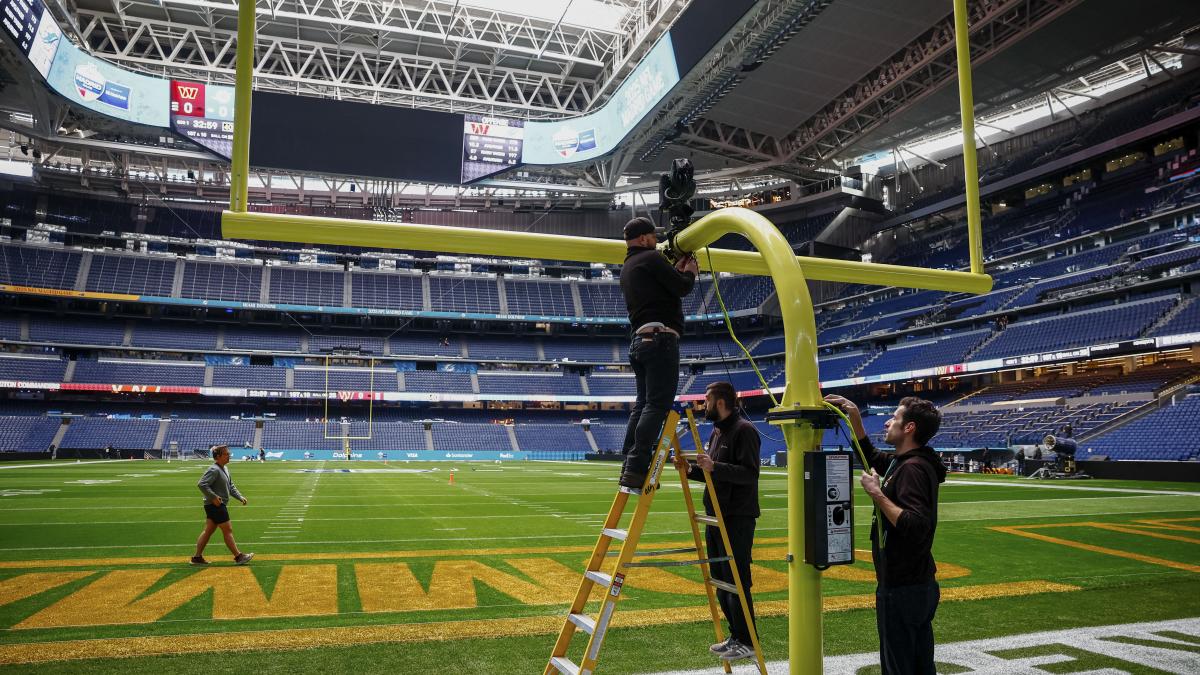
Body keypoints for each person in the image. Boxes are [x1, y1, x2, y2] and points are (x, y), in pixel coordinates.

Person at [824, 394, 946, 675]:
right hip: (915, 584)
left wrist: (877, 494)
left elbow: (916, 525)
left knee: (899, 667)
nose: (889, 421)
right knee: (919, 665)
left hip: (903, 588)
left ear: (909, 428)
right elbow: (874, 459)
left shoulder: (912, 469)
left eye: (896, 417)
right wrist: (854, 417)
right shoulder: (906, 462)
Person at [674, 382, 761, 662]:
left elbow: (749, 474)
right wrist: (691, 471)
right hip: (715, 516)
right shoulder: (717, 431)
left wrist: (715, 467)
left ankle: (748, 640)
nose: (704, 405)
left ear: (720, 402)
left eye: (707, 400)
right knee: (721, 580)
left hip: (737, 517)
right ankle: (736, 635)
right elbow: (713, 474)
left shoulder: (744, 431)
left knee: (737, 579)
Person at [618, 216, 698, 488]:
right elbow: (681, 287)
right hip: (660, 339)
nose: (655, 241)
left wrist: (673, 270)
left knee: (642, 406)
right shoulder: (650, 259)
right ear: (643, 239)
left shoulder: (628, 266)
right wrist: (690, 273)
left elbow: (662, 286)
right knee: (656, 405)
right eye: (652, 237)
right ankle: (639, 464)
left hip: (639, 341)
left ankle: (629, 465)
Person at [192, 445, 254, 566]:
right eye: (226, 454)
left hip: (216, 505)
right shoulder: (214, 469)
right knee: (227, 529)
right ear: (218, 456)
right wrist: (213, 497)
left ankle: (197, 557)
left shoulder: (224, 469)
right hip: (215, 505)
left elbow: (231, 486)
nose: (229, 455)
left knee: (208, 531)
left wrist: (240, 497)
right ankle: (238, 556)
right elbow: (201, 484)